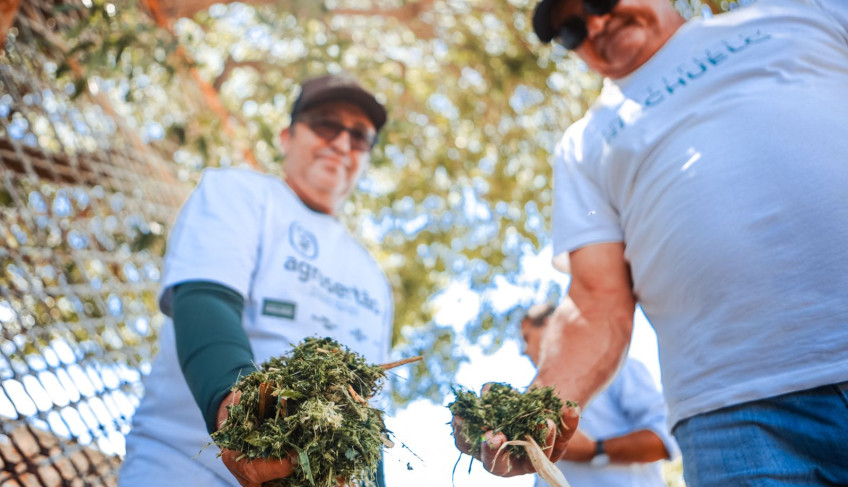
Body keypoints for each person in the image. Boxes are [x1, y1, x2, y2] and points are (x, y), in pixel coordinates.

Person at [452, 0, 848, 485]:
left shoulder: (803, 14)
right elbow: (596, 300)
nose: (595, 24)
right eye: (572, 31)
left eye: (599, 1)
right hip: (735, 421)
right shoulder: (584, 145)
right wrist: (537, 413)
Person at [119, 73, 394, 487]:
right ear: (287, 136)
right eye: (325, 124)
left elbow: (366, 416)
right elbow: (204, 299)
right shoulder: (239, 193)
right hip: (187, 469)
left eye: (359, 137)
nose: (341, 142)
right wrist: (243, 421)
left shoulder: (374, 279)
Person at [520, 303, 678, 487]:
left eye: (526, 337)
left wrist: (595, 450)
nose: (523, 350)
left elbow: (665, 439)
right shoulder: (537, 400)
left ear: (550, 326)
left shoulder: (620, 369)